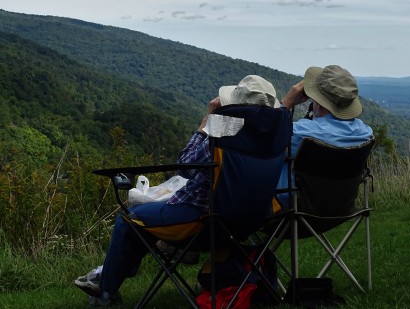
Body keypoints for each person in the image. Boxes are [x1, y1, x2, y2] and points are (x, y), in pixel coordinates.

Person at [74, 75, 281, 307]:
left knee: (130, 219)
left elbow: (185, 167)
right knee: (144, 219)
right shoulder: (276, 134)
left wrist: (205, 125)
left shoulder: (225, 129)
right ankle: (109, 275)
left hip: (201, 220)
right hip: (247, 221)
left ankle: (106, 291)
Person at [276, 65, 374, 206]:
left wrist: (286, 103)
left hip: (293, 208)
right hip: (341, 207)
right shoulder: (365, 133)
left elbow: (263, 140)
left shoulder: (300, 133)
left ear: (319, 103)